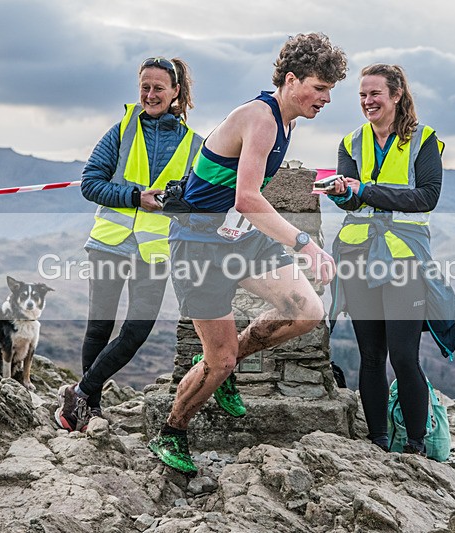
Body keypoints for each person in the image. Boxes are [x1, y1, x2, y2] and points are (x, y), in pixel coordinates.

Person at [148, 32, 348, 475]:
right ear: (292, 80)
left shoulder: (287, 121)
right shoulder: (261, 118)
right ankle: (172, 430)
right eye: (319, 88)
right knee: (218, 362)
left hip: (238, 239)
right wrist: (305, 243)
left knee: (307, 311)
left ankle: (225, 364)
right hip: (198, 245)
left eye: (330, 90)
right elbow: (248, 199)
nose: (326, 98)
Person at [326, 64, 455, 455]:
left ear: (396, 95)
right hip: (357, 253)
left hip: (403, 258)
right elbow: (351, 198)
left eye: (375, 94)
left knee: (405, 357)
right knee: (370, 357)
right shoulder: (350, 142)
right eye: (362, 96)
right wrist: (340, 192)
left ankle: (416, 446)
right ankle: (377, 442)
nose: (367, 102)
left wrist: (367, 191)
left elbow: (426, 197)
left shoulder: (424, 140)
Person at [55, 57, 203, 432]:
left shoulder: (195, 145)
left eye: (158, 88)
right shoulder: (120, 131)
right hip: (109, 243)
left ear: (176, 92)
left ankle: (80, 393)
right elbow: (91, 183)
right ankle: (89, 407)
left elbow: (197, 201)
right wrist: (137, 197)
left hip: (154, 252)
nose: (150, 95)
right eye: (144, 87)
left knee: (136, 331)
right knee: (98, 328)